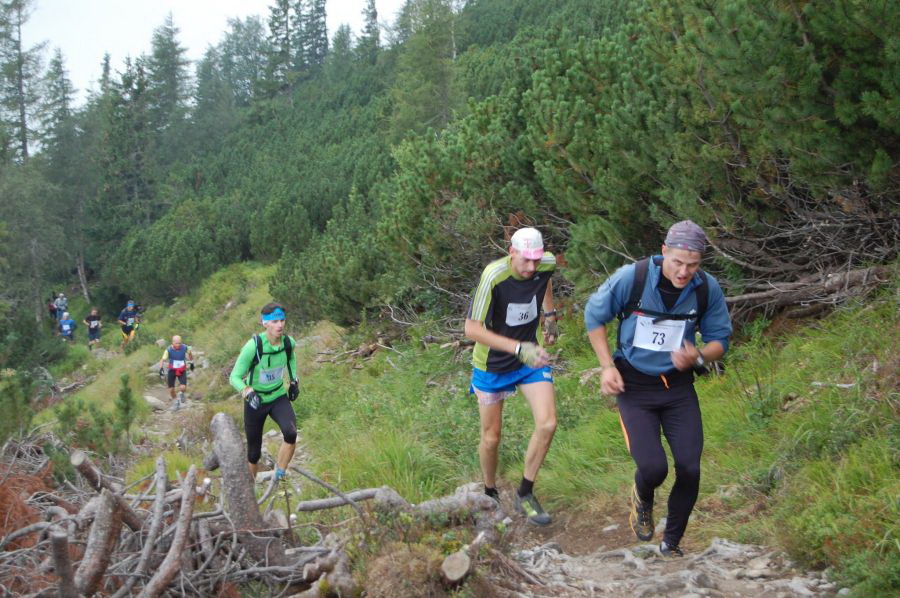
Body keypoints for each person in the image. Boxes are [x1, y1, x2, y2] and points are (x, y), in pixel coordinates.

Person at [584, 220, 733, 557]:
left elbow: (720, 340)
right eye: (677, 262)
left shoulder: (706, 288)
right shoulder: (632, 278)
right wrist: (607, 366)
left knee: (690, 467)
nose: (684, 272)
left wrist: (699, 356)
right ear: (664, 251)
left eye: (692, 265)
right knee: (654, 468)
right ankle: (642, 496)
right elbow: (594, 317)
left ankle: (672, 543)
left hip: (678, 387)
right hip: (634, 385)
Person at [463, 227, 560, 525]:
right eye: (525, 260)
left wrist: (549, 316)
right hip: (492, 364)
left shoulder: (545, 263)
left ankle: (525, 494)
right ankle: (490, 492)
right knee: (491, 438)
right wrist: (518, 348)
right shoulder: (494, 276)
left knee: (548, 423)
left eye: (536, 260)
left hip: (529, 360)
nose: (531, 267)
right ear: (512, 252)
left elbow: (545, 279)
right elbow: (471, 329)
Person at [229, 303, 299, 482]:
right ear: (265, 323)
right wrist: (247, 391)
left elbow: (291, 358)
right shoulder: (253, 346)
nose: (280, 325)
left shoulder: (288, 343)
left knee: (291, 433)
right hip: (256, 401)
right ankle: (250, 489)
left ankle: (279, 475)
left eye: (282, 320)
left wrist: (294, 380)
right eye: (275, 321)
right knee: (254, 453)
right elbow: (234, 377)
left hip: (277, 396)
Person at [158, 335, 194, 411]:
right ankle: (176, 402)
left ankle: (182, 394)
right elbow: (162, 360)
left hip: (181, 369)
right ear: (173, 342)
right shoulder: (168, 350)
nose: (178, 345)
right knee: (171, 390)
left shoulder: (185, 347)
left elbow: (190, 353)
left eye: (180, 343)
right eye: (177, 343)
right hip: (172, 370)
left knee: (183, 387)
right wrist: (161, 369)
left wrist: (191, 362)